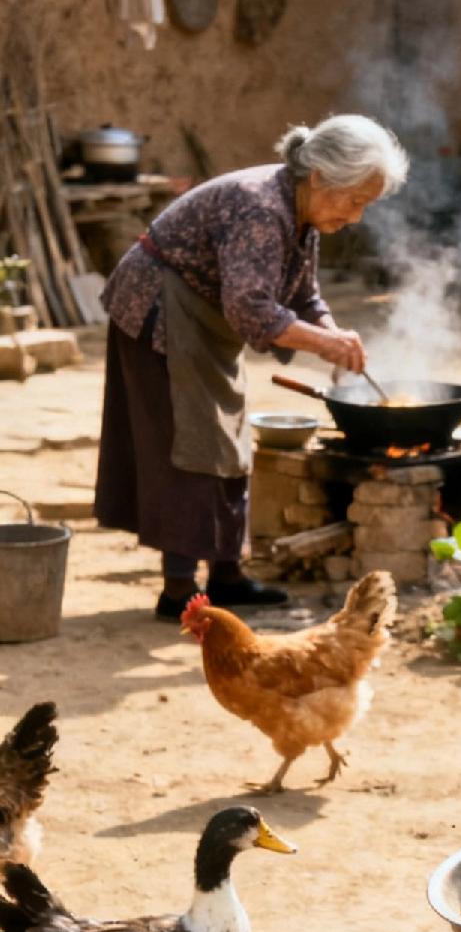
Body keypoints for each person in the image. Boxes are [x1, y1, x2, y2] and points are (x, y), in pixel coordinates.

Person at [95, 114, 408, 620]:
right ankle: (180, 593)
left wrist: (332, 335)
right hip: (160, 309)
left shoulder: (303, 210)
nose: (355, 216)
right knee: (190, 443)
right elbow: (252, 310)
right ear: (320, 177)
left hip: (203, 318)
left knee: (229, 437)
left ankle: (226, 578)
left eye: (365, 206)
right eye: (354, 201)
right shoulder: (261, 208)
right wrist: (326, 346)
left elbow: (304, 294)